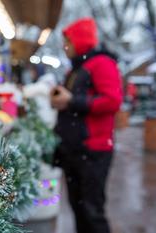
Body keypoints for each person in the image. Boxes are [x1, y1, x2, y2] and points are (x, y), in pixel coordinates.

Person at [50, 18, 123, 233]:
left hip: (93, 151)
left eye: (68, 42)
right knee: (78, 209)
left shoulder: (102, 63)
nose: (65, 47)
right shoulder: (77, 68)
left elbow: (112, 100)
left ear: (80, 41)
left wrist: (71, 101)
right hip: (75, 150)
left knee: (92, 212)